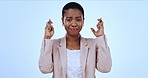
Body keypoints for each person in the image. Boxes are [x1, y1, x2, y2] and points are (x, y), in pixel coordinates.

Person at [39, 2, 112, 78]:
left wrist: (100, 37)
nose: (74, 23)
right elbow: (45, 69)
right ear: (62, 21)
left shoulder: (92, 44)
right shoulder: (54, 44)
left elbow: (105, 68)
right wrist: (47, 38)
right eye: (69, 19)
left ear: (83, 21)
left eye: (78, 19)